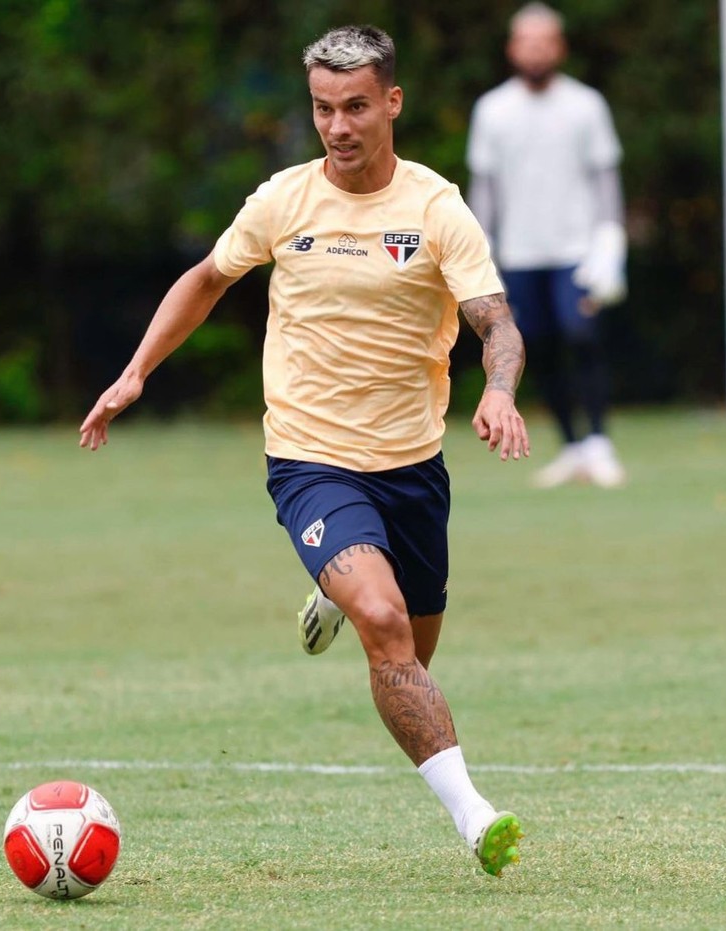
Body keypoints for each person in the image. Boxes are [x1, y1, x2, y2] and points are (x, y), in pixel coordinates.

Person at [80, 24, 529, 877]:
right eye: (324, 108)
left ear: (391, 102)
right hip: (309, 456)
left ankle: (332, 590)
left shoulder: (436, 208)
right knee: (387, 627)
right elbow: (208, 279)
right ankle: (476, 817)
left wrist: (499, 389)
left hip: (412, 467)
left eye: (356, 106)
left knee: (410, 656)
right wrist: (136, 371)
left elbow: (495, 322)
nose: (339, 125)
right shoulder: (283, 200)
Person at [466, 2, 628, 488]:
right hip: (519, 254)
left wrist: (610, 242)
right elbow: (485, 188)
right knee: (538, 345)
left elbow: (605, 178)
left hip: (576, 251)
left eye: (545, 41)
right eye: (526, 41)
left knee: (582, 336)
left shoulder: (586, 105)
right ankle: (572, 446)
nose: (535, 50)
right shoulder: (492, 110)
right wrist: (482, 251)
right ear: (513, 48)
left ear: (558, 47)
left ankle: (599, 442)